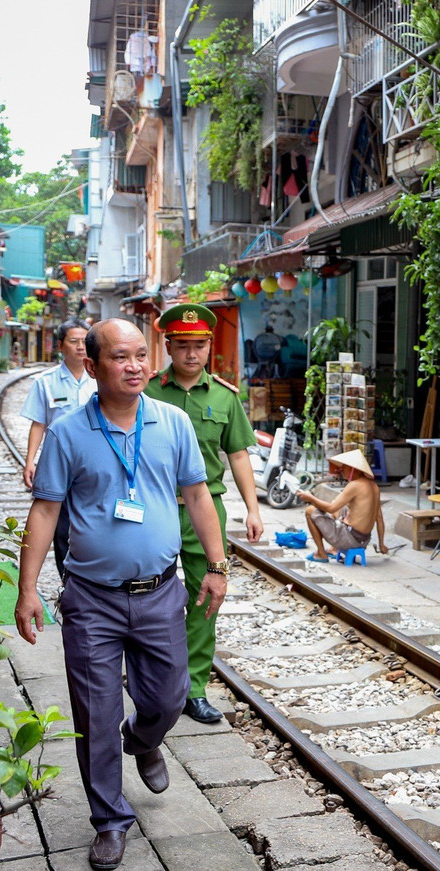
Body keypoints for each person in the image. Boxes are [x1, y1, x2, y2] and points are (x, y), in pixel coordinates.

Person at [14, 318, 230, 871]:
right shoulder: (67, 432)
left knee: (167, 698)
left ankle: (144, 737)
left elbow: (199, 496)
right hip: (91, 599)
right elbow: (45, 511)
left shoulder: (173, 422)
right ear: (92, 366)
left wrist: (217, 566)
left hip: (160, 593)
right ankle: (109, 820)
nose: (135, 366)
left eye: (141, 355)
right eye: (120, 357)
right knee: (95, 713)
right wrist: (27, 589)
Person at [144, 303, 262, 724]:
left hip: (205, 510)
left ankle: (193, 689)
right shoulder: (148, 392)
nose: (191, 354)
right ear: (168, 346)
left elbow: (238, 455)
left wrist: (252, 508)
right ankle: (146, 676)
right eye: (183, 346)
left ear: (210, 346)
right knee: (141, 595)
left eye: (199, 346)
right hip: (153, 506)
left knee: (205, 599)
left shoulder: (225, 397)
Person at [20, 320, 93, 578]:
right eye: (74, 341)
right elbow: (38, 423)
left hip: (94, 461)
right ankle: (68, 582)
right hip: (59, 462)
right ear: (60, 345)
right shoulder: (46, 382)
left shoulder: (100, 379)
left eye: (85, 341)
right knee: (61, 527)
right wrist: (30, 461)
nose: (81, 347)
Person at [297, 449, 388, 562]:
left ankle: (321, 553)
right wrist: (381, 545)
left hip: (349, 539)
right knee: (341, 507)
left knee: (310, 511)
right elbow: (379, 519)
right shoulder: (375, 487)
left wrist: (310, 498)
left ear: (353, 469)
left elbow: (331, 508)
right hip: (363, 540)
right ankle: (334, 549)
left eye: (344, 467)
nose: (341, 469)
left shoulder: (354, 485)